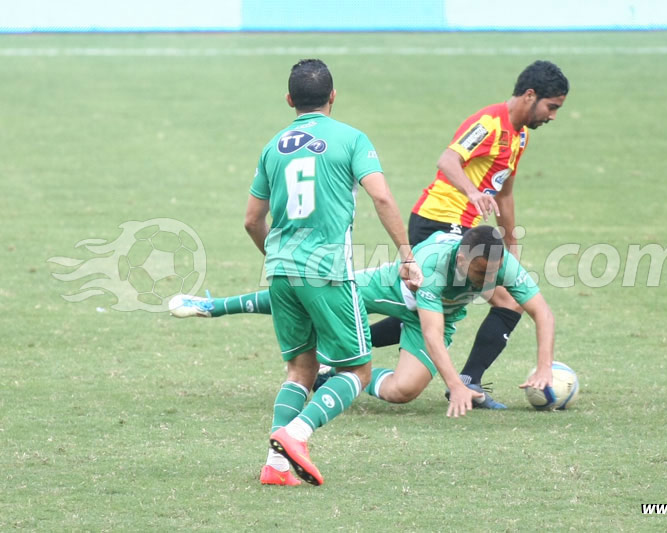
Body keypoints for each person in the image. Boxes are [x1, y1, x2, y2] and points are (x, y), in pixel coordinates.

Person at [240, 59, 421, 486]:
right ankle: (296, 434)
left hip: (281, 271)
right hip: (327, 272)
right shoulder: (352, 139)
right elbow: (381, 198)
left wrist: (280, 258)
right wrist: (407, 255)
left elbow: (251, 220)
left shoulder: (273, 146)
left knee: (300, 370)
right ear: (333, 96)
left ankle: (276, 466)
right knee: (356, 372)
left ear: (290, 101)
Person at [170, 225, 555, 423]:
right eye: (478, 271)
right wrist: (455, 385)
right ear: (461, 257)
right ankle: (213, 305)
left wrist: (543, 367)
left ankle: (329, 373)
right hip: (387, 289)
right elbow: (433, 334)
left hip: (437, 314)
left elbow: (543, 313)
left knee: (403, 392)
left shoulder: (500, 262)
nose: (487, 281)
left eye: (492, 273)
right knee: (310, 292)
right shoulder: (436, 264)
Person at [369, 60, 569, 409]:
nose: (552, 116)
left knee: (429, 309)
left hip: (470, 228)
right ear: (530, 95)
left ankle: (344, 350)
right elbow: (447, 160)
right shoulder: (489, 123)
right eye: (552, 107)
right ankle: (465, 381)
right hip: (439, 221)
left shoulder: (519, 136)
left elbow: (504, 192)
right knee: (493, 303)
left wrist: (511, 241)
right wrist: (472, 192)